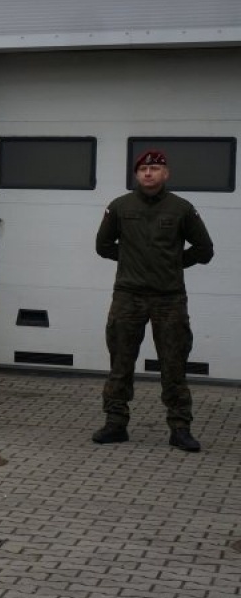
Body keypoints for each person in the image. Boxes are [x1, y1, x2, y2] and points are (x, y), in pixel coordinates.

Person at [92, 149, 215, 452]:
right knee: (120, 363)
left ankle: (180, 428)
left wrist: (172, 262)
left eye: (155, 169)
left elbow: (204, 249)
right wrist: (133, 261)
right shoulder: (120, 207)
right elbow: (103, 245)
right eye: (143, 169)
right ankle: (115, 423)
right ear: (136, 174)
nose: (149, 173)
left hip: (169, 299)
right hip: (128, 296)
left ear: (166, 174)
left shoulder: (181, 208)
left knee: (174, 365)